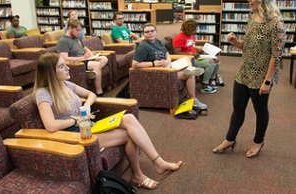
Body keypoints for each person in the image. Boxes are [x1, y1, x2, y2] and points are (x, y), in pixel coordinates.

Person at [32, 52, 185, 190]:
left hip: (87, 126)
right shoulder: (43, 94)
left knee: (129, 118)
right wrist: (76, 119)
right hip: (73, 135)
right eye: (61, 66)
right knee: (130, 134)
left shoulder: (65, 84)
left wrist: (85, 106)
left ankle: (157, 163)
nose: (68, 68)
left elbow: (91, 94)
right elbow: (51, 125)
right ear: (51, 73)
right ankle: (142, 173)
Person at [212, 0, 285, 158]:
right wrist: (235, 43)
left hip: (261, 76)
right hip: (244, 71)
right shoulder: (252, 17)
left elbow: (276, 55)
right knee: (238, 107)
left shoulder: (276, 22)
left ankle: (258, 141)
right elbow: (250, 46)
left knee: (260, 110)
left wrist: (267, 81)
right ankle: (230, 138)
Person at [132, 23, 207, 109]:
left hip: (167, 66)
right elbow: (135, 64)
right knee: (190, 75)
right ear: (143, 34)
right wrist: (153, 63)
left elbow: (167, 54)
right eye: (147, 32)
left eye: (152, 31)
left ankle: (190, 69)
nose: (150, 33)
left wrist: (168, 61)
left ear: (156, 32)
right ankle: (194, 100)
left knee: (187, 59)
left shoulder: (157, 42)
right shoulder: (143, 47)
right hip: (159, 72)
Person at [57, 19, 108, 97]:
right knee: (97, 65)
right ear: (70, 28)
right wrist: (81, 58)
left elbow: (85, 48)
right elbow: (64, 58)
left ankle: (88, 72)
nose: (79, 32)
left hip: (84, 60)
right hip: (77, 63)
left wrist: (91, 54)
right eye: (77, 30)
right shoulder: (63, 41)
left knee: (104, 59)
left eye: (80, 30)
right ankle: (99, 92)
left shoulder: (76, 37)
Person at [172, 18, 221, 93]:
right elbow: (176, 52)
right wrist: (191, 54)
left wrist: (199, 49)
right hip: (189, 59)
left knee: (217, 60)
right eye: (192, 30)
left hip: (196, 56)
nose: (194, 32)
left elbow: (191, 47)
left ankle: (212, 80)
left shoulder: (191, 36)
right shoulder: (179, 38)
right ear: (187, 29)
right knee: (211, 62)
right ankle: (205, 86)